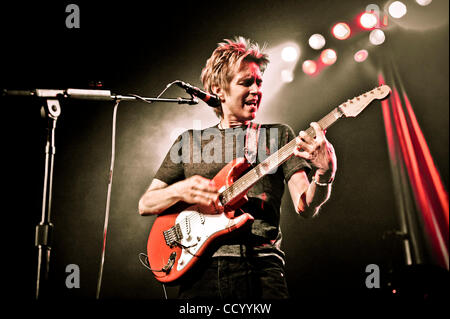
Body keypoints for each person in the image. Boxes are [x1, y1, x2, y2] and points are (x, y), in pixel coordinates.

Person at [138, 37, 337, 299]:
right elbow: (146, 204)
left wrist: (324, 174)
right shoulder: (188, 142)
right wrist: (182, 190)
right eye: (246, 82)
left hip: (260, 268)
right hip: (199, 272)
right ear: (218, 89)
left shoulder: (278, 137)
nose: (256, 90)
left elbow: (306, 207)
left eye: (259, 82)